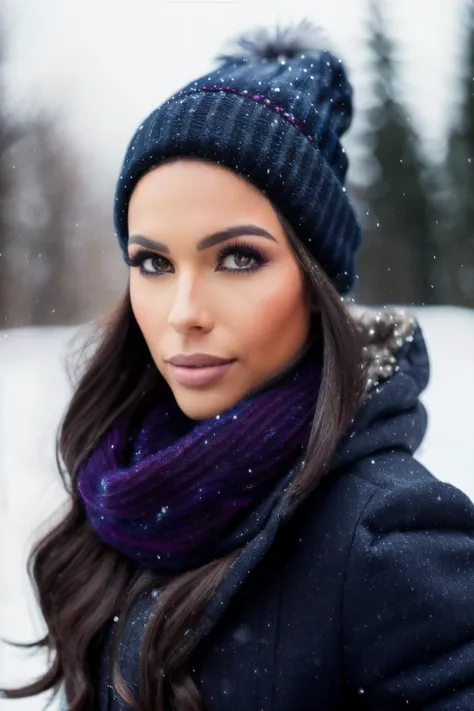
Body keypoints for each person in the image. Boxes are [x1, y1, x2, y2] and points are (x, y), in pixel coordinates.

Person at [3, 20, 474, 711]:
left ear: (317, 286)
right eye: (154, 263)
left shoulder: (394, 538)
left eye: (238, 257)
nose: (183, 310)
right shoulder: (128, 493)